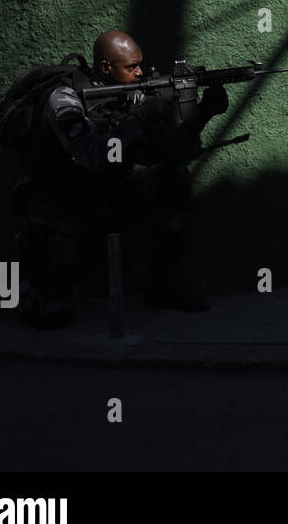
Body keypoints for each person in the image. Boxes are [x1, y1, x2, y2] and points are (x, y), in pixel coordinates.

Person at [16, 30, 227, 328]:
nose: (140, 72)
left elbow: (166, 148)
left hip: (107, 190)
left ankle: (165, 286)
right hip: (62, 201)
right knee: (53, 313)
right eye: (131, 67)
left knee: (171, 176)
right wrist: (139, 119)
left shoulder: (133, 93)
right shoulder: (63, 100)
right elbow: (95, 156)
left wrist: (203, 114)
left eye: (140, 65)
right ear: (105, 68)